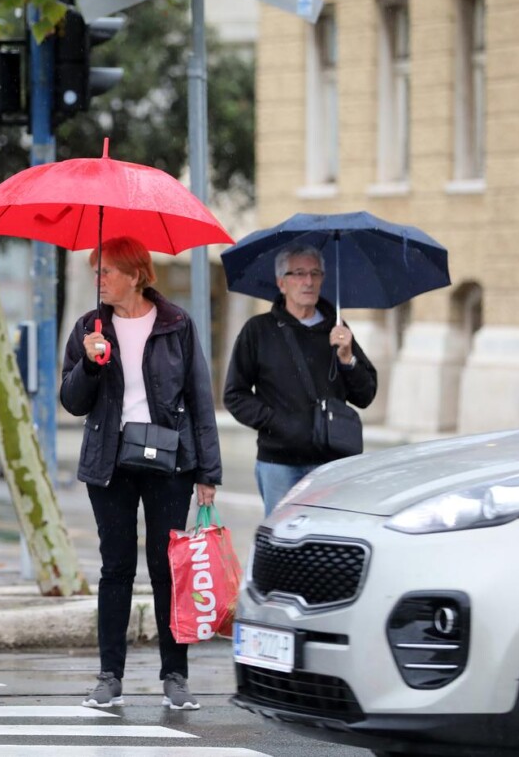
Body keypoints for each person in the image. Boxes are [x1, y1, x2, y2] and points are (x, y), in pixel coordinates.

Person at [59, 237, 221, 711]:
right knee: (116, 569)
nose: (99, 279)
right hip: (109, 462)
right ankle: (109, 676)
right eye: (96, 271)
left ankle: (175, 677)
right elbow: (71, 402)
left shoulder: (176, 323)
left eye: (107, 271)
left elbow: (200, 399)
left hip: (169, 461)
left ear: (135, 274)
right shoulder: (89, 327)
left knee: (168, 569)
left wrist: (208, 471)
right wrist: (89, 362)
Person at [223, 244, 378, 516]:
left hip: (332, 462)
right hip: (280, 463)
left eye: (315, 273)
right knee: (284, 543)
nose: (308, 281)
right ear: (281, 283)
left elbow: (365, 396)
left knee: (329, 540)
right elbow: (235, 395)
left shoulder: (338, 330)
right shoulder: (258, 330)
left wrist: (347, 358)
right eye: (299, 273)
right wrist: (276, 422)